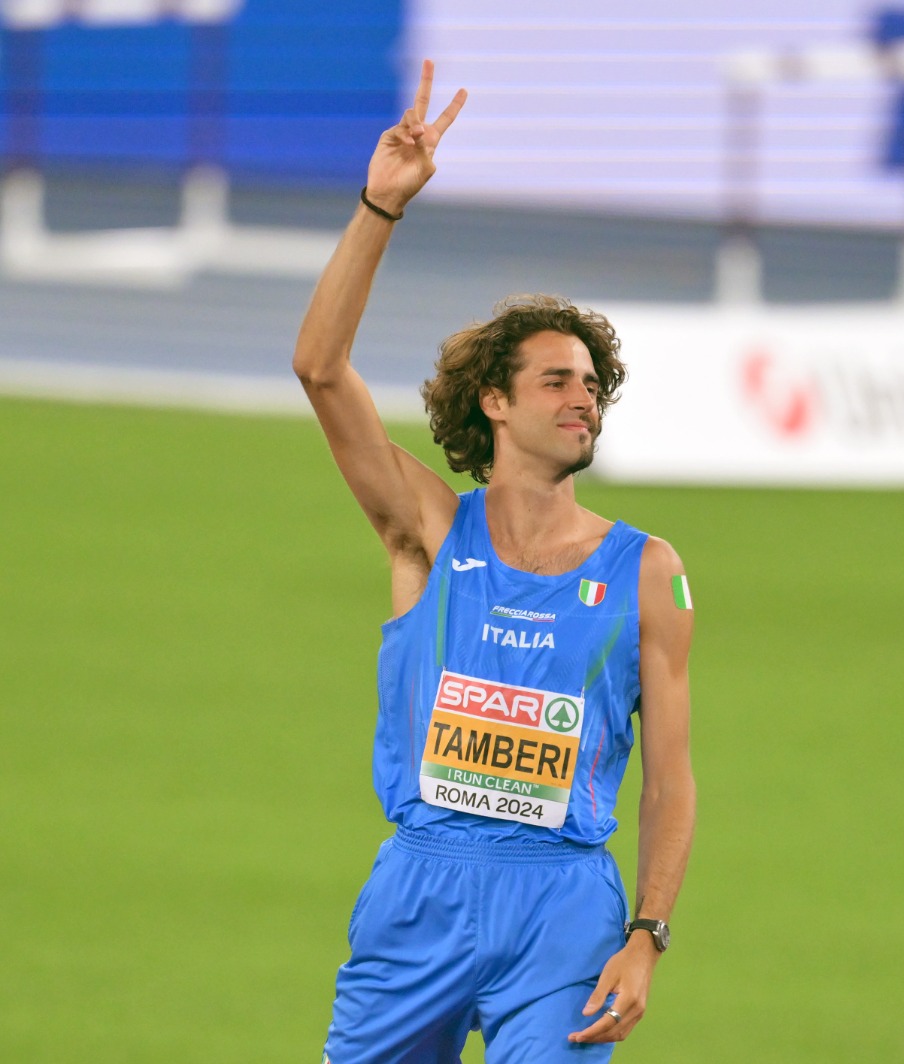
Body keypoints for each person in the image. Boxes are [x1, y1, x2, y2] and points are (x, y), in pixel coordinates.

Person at [292, 61, 696, 1062]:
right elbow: (319, 369)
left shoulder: (649, 571)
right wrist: (379, 207)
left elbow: (671, 778)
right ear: (495, 401)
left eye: (593, 385)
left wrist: (647, 933)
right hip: (422, 891)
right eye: (556, 379)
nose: (582, 398)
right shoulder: (428, 528)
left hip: (564, 906)